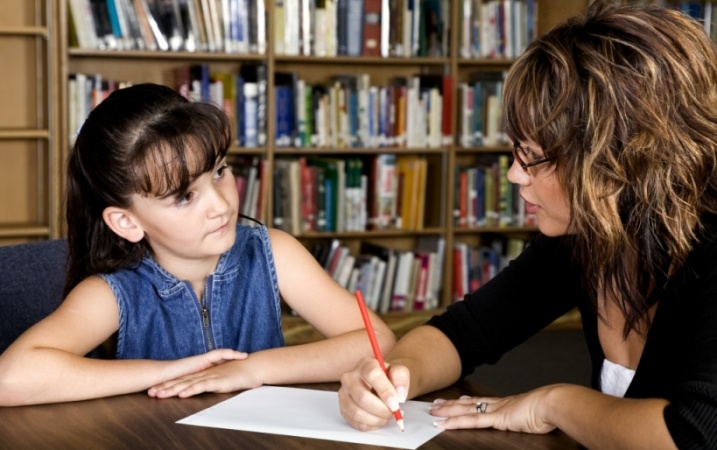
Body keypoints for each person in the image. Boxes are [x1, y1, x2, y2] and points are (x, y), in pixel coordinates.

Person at [338, 2, 717, 448]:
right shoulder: (586, 237)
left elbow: (693, 436)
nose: (515, 174)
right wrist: (394, 377)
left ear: (617, 159)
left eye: (534, 157)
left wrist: (552, 403)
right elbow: (460, 334)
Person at [0, 83, 395, 406]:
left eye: (220, 171)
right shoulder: (111, 292)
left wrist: (253, 369)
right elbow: (10, 379)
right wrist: (170, 370)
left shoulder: (273, 252)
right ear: (127, 222)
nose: (221, 204)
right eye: (185, 196)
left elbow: (379, 342)